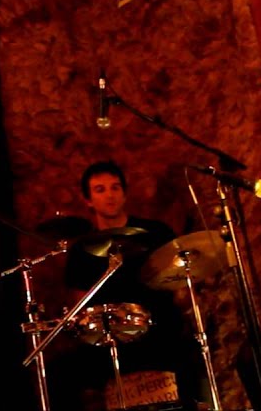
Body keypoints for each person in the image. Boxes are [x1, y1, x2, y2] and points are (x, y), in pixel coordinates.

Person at [46, 160, 198, 411]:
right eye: (100, 189)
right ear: (88, 200)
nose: (110, 195)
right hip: (110, 341)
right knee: (58, 374)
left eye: (115, 187)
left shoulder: (155, 232)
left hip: (157, 333)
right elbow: (79, 305)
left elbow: (180, 282)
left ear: (125, 193)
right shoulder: (81, 251)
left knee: (190, 353)